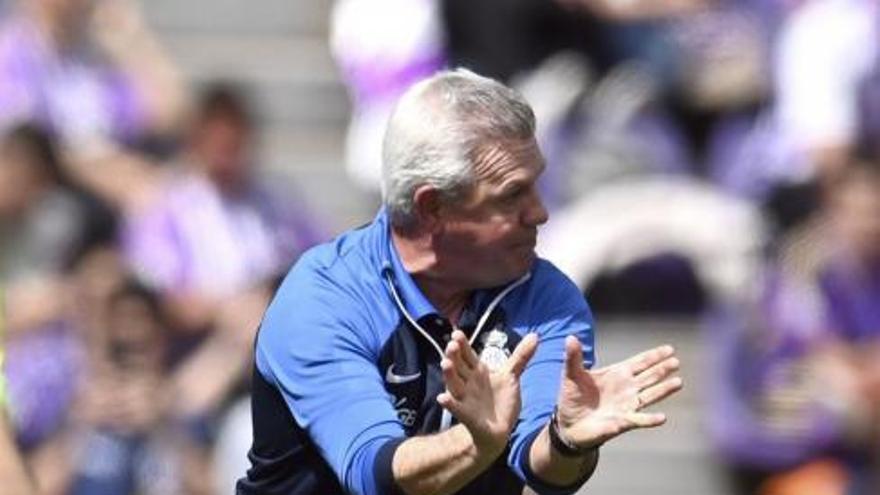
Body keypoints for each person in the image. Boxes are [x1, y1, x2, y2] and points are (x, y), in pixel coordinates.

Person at [237, 69, 683, 495]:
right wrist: (478, 443)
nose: (541, 213)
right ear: (432, 208)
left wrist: (567, 441)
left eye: (536, 185)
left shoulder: (547, 299)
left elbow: (545, 466)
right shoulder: (324, 300)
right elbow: (375, 477)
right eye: (512, 194)